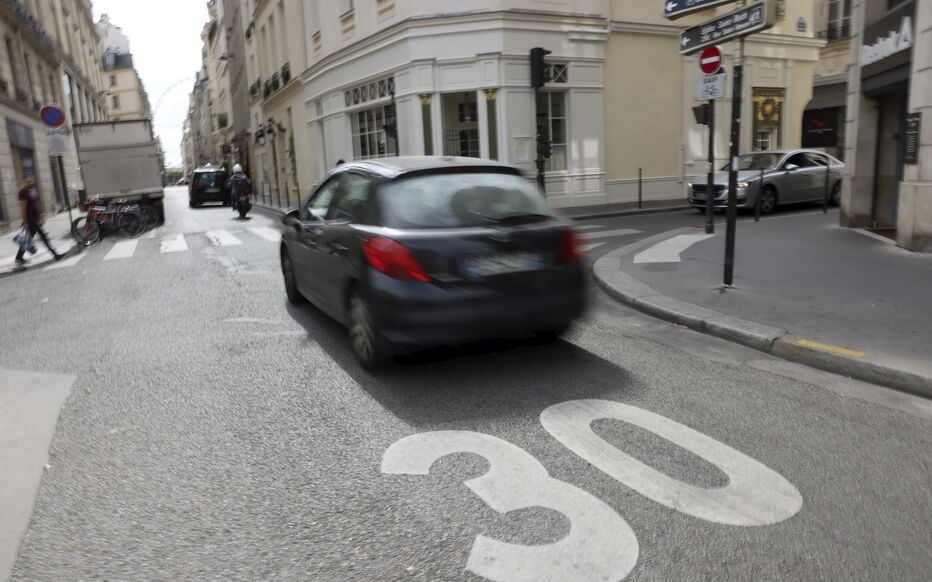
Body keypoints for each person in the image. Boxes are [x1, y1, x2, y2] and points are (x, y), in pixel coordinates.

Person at [15, 176, 62, 266]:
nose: (31, 182)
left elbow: (36, 203)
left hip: (35, 217)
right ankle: (55, 254)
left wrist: (41, 216)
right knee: (43, 237)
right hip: (30, 219)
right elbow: (23, 208)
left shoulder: (32, 191)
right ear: (24, 181)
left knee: (28, 239)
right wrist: (25, 222)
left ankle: (19, 257)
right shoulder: (22, 193)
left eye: (32, 181)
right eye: (28, 181)